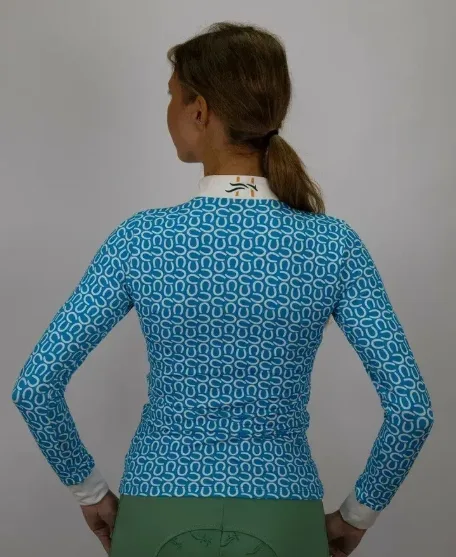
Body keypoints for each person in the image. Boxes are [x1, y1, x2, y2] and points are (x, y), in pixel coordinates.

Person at [12, 22, 434, 557]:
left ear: (200, 110)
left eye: (172, 96)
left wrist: (89, 491)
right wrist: (357, 516)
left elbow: (35, 387)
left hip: (156, 503)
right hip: (284, 513)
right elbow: (411, 411)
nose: (168, 112)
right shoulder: (333, 245)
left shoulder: (141, 239)